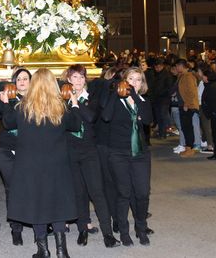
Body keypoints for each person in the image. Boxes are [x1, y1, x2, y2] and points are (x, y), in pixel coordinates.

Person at [1, 68, 81, 258]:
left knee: (37, 204)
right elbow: (76, 125)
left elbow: (7, 123)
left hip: (30, 166)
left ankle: (43, 250)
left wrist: (6, 103)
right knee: (58, 204)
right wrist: (75, 104)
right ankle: (62, 251)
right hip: (57, 165)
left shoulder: (22, 108)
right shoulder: (61, 108)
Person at [63, 64, 118, 248]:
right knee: (79, 193)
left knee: (97, 193)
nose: (78, 81)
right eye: (74, 77)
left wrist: (76, 104)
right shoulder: (62, 101)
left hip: (89, 151)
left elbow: (91, 118)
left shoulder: (92, 97)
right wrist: (69, 102)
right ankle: (82, 230)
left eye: (81, 77)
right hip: (71, 151)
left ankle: (108, 234)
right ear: (68, 80)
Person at [102, 67, 153, 246]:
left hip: (140, 153)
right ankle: (124, 231)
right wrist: (117, 94)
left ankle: (141, 227)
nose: (134, 82)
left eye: (138, 79)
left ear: (142, 83)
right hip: (119, 153)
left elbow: (148, 120)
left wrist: (136, 97)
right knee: (123, 193)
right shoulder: (115, 100)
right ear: (124, 81)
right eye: (131, 79)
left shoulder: (143, 100)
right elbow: (106, 117)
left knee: (142, 193)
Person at [0, 67, 31, 246]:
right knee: (12, 188)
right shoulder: (8, 97)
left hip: (29, 150)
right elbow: (0, 115)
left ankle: (37, 220)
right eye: (18, 79)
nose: (22, 81)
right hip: (7, 149)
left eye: (25, 78)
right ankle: (16, 228)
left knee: (31, 187)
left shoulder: (36, 100)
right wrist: (6, 95)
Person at [200, 67, 216, 160]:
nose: (202, 78)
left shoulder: (212, 87)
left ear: (207, 77)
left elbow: (212, 102)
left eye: (203, 76)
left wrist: (210, 113)